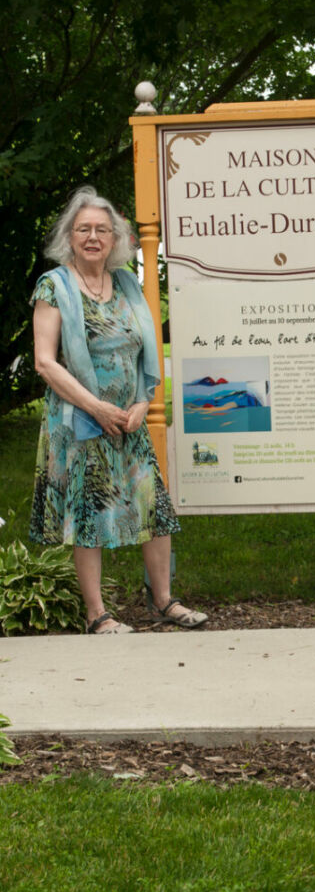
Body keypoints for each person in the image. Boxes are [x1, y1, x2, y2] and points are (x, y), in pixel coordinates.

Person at [30, 186, 207, 633]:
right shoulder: (54, 286)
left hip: (128, 419)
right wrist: (97, 407)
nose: (93, 237)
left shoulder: (127, 281)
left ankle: (164, 601)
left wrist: (142, 403)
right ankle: (97, 615)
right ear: (69, 237)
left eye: (102, 230)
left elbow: (145, 350)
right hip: (80, 420)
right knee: (89, 512)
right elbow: (45, 362)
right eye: (84, 229)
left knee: (154, 508)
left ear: (116, 238)